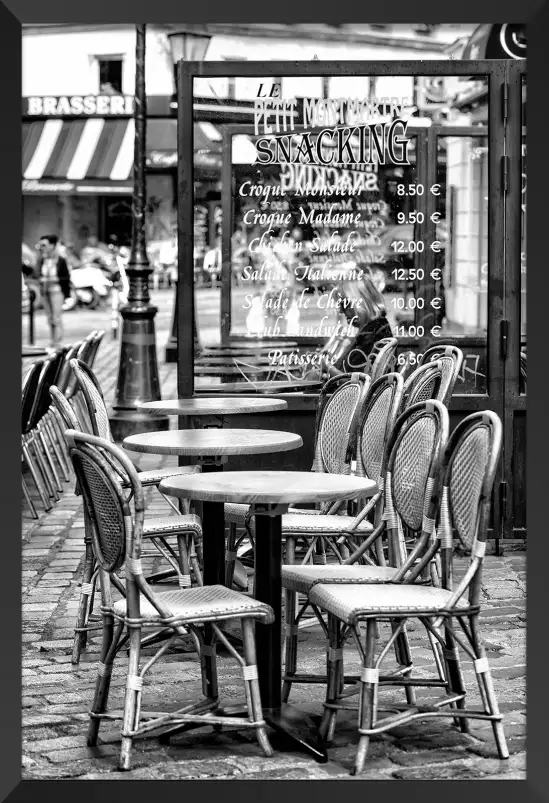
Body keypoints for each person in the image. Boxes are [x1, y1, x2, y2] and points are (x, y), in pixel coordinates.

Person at [328, 272, 394, 375]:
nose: (340, 310)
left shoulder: (371, 334)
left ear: (360, 304)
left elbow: (357, 382)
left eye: (344, 304)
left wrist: (328, 368)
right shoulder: (377, 327)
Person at [32, 234, 72, 348]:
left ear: (52, 245)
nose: (41, 247)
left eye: (44, 245)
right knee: (49, 318)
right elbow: (36, 274)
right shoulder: (42, 259)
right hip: (44, 291)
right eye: (40, 245)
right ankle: (52, 340)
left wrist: (54, 279)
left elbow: (67, 277)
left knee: (56, 317)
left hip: (57, 291)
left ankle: (57, 342)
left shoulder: (60, 259)